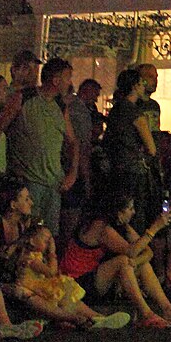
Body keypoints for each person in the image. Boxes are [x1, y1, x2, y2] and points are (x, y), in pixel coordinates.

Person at [60, 183, 171, 328]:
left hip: (97, 280)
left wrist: (135, 262)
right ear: (118, 212)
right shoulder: (99, 227)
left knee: (137, 263)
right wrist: (155, 228)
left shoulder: (123, 227)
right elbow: (131, 251)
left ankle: (169, 310)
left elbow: (148, 252)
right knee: (124, 261)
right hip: (77, 282)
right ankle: (146, 314)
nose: (134, 212)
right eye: (130, 208)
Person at [0, 184, 128, 331]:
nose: (31, 202)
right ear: (13, 204)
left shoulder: (22, 225)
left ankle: (98, 318)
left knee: (62, 289)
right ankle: (74, 318)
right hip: (6, 281)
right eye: (26, 199)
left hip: (19, 277)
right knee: (28, 291)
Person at [7, 56, 78, 236]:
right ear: (56, 80)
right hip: (28, 180)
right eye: (67, 77)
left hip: (54, 182)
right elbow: (0, 126)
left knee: (48, 236)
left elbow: (73, 141)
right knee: (27, 232)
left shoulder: (60, 106)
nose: (69, 82)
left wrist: (72, 173)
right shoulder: (24, 98)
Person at [98, 66, 165, 231]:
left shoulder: (117, 110)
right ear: (135, 86)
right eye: (142, 82)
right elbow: (152, 148)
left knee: (119, 215)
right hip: (135, 171)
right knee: (136, 216)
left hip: (117, 168)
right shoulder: (135, 113)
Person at [59, 76, 104, 249]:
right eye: (95, 95)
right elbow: (81, 146)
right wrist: (85, 177)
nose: (97, 99)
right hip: (73, 170)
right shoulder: (80, 111)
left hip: (66, 167)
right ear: (87, 91)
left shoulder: (71, 107)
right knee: (71, 217)